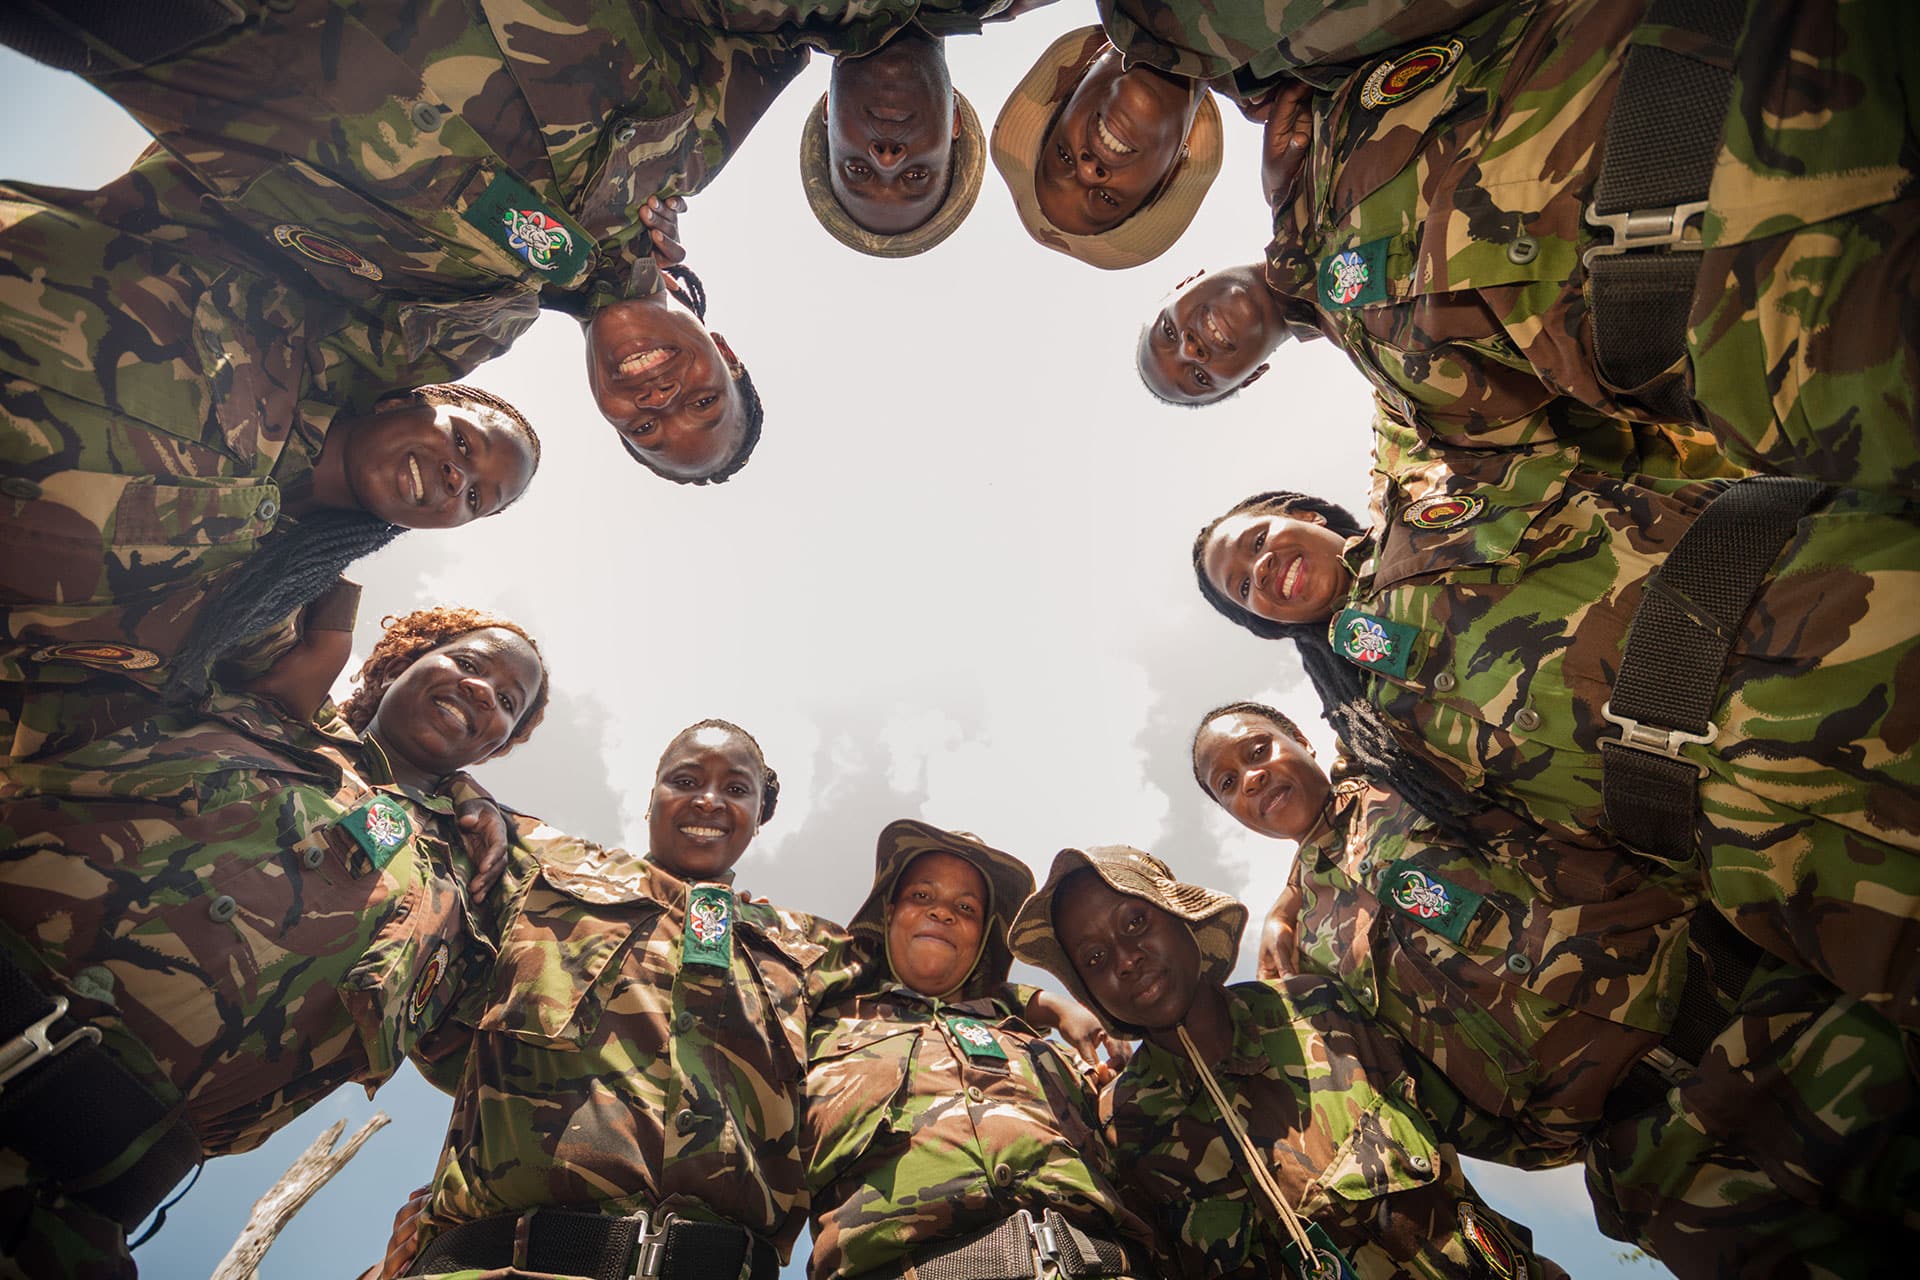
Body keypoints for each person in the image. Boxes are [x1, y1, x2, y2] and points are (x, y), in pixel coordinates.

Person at [0, 0, 1018, 483]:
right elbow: (826, 31)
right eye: (701, 399)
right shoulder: (698, 132)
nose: (658, 399)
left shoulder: (433, 338)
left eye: (645, 429)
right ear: (728, 352)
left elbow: (263, 390)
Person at [1191, 462, 1920, 1041]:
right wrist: (1297, 891)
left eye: (1257, 541)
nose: (1261, 571)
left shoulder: (1431, 483)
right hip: (1763, 843)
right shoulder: (1380, 734)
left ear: (1308, 515)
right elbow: (1332, 806)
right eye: (1243, 586)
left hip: (1824, 637)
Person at [1193, 700, 1920, 1274]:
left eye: (1258, 749)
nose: (1252, 776)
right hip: (1657, 1162)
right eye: (1228, 782)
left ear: (1305, 741)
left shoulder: (1409, 757)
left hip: (1762, 1022)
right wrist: (1290, 902)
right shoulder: (1308, 948)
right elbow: (1408, 1082)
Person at [1123, 0, 1920, 501]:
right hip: (1798, 339)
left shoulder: (1318, 119)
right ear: (1249, 376)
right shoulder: (1422, 412)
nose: (1195, 344)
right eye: (1199, 374)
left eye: (1171, 333)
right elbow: (1626, 464)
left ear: (1184, 278)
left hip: (1772, 69)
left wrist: (1279, 112)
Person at [0, 604, 550, 1279]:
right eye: (468, 663)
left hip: (62, 1211)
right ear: (404, 658)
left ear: (497, 745)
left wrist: (501, 822)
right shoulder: (246, 689)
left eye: (506, 701)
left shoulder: (471, 900)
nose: (480, 690)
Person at [0, 155, 541, 750]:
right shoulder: (274, 317)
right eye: (463, 442)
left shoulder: (264, 612)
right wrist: (611, 286)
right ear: (402, 401)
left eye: (473, 497)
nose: (454, 474)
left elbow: (298, 762)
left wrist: (331, 639)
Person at [394, 718, 854, 1280]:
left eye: (736, 790)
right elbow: (419, 787)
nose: (708, 801)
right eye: (684, 780)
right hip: (503, 1261)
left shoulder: (814, 952)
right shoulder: (543, 869)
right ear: (651, 798)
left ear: (760, 817)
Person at [1009, 845, 1563, 1279]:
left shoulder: (1322, 1007)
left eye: (1135, 923)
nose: (1126, 960)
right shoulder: (1122, 1129)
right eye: (1096, 958)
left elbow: (1483, 1122)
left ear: (1181, 918)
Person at [803, 819, 1154, 1278]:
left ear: (982, 936)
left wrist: (1049, 1009)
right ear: (889, 912)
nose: (943, 913)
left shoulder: (1045, 1048)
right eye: (921, 896)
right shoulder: (814, 1029)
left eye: (965, 907)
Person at [990, 25, 1223, 269]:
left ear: (1077, 80)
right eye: (1105, 198)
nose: (1088, 170)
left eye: (1064, 156)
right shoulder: (1261, 69)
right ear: (1171, 171)